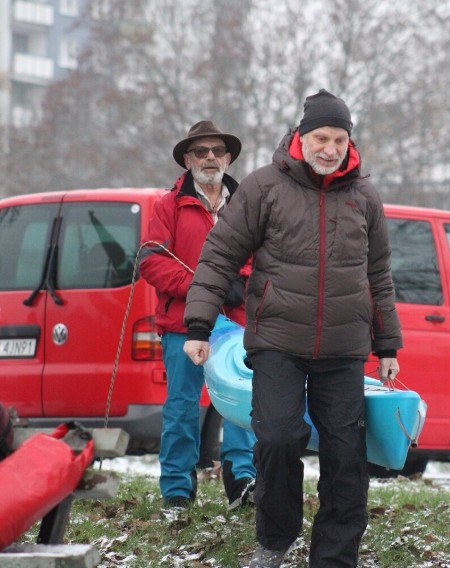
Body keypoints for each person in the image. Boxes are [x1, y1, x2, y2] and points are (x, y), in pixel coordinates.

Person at [183, 90, 402, 567]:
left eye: (339, 139)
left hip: (343, 349)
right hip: (277, 343)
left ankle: (335, 557)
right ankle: (275, 541)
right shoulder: (264, 189)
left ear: (350, 141)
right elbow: (219, 255)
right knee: (279, 440)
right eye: (322, 137)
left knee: (346, 457)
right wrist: (199, 325)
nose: (330, 148)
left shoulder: (365, 197)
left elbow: (379, 276)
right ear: (302, 137)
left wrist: (388, 345)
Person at [138, 120, 256, 511]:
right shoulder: (167, 206)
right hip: (182, 327)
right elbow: (152, 262)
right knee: (182, 409)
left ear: (228, 158)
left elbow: (265, 260)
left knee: (242, 406)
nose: (209, 157)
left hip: (237, 327)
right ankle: (176, 491)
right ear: (187, 160)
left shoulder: (247, 205)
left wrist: (241, 283)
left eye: (216, 151)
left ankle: (242, 481)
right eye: (201, 151)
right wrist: (204, 289)